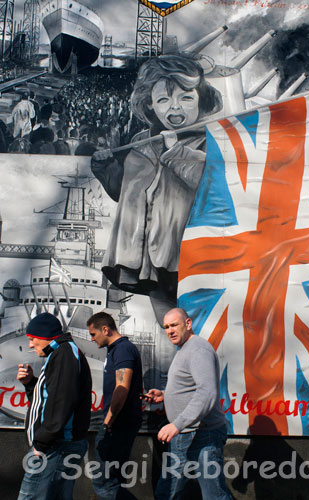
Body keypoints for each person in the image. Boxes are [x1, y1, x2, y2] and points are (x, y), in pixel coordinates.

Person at [91, 54, 222, 325]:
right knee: (174, 335)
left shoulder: (213, 142)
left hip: (192, 264)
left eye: (186, 97)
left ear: (202, 98)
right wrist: (107, 170)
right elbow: (129, 194)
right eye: (163, 100)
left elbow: (214, 187)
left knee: (200, 334)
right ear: (150, 104)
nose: (175, 108)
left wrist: (176, 152)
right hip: (151, 266)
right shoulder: (141, 143)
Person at [145, 308, 231, 500]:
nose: (170, 331)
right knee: (169, 491)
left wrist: (177, 424)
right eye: (166, 327)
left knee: (212, 495)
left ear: (188, 324)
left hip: (201, 434)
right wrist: (165, 395)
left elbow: (206, 392)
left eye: (174, 325)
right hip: (187, 434)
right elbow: (190, 387)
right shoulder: (186, 349)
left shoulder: (198, 349)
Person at [16, 312, 92, 500]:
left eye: (32, 339)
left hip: (56, 446)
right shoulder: (62, 353)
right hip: (57, 444)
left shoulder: (64, 354)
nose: (30, 345)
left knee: (30, 497)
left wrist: (41, 444)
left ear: (45, 336)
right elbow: (51, 397)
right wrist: (30, 383)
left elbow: (62, 401)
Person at [87, 311, 143, 499]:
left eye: (93, 334)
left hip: (118, 424)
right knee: (111, 480)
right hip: (119, 423)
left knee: (104, 482)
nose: (92, 339)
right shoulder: (116, 350)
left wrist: (108, 422)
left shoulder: (122, 349)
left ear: (105, 329)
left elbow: (122, 388)